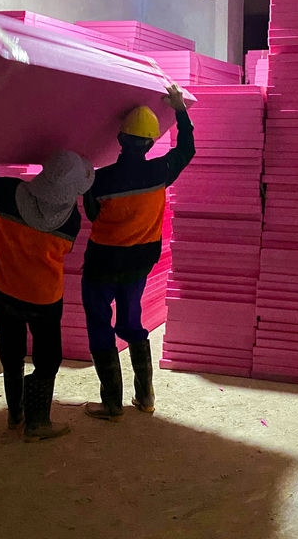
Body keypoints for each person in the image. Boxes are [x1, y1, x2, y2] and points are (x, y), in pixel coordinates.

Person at [82, 83, 195, 420]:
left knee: (99, 324)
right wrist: (179, 110)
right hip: (139, 262)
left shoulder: (99, 180)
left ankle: (111, 404)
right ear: (150, 142)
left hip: (102, 263)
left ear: (120, 139)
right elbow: (187, 149)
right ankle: (145, 398)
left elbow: (91, 214)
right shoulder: (160, 171)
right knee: (132, 322)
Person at [0, 150, 95, 441]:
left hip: (4, 288)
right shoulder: (70, 220)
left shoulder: (6, 192)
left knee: (11, 352)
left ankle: (15, 415)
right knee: (48, 359)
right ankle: (37, 423)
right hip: (43, 298)